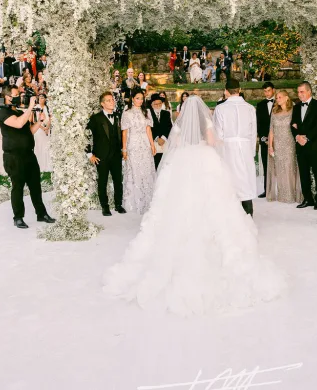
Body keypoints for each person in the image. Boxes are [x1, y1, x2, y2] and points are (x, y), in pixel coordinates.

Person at [103, 94, 285, 316]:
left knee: (179, 199)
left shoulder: (179, 124)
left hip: (183, 161)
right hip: (205, 159)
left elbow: (175, 144)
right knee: (212, 199)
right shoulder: (207, 122)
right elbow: (211, 142)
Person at [0, 87, 56, 229]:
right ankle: (18, 217)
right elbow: (18, 123)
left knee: (36, 186)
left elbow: (28, 130)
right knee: (18, 187)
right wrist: (30, 107)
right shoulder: (3, 113)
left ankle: (41, 214)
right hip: (14, 157)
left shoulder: (18, 112)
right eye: (16, 95)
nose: (19, 97)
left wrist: (39, 122)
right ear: (7, 97)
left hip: (29, 155)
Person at [213, 78, 257, 216]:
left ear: (226, 91)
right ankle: (248, 214)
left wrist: (218, 154)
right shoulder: (250, 108)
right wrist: (251, 152)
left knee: (230, 180)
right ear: (240, 90)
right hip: (245, 148)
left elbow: (218, 134)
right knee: (245, 181)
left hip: (227, 148)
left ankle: (233, 216)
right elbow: (253, 132)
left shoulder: (220, 109)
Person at [88, 91, 124, 217]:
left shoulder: (119, 116)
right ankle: (105, 207)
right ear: (102, 104)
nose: (112, 102)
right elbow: (86, 136)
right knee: (102, 182)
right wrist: (89, 154)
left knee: (118, 180)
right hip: (101, 156)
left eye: (112, 99)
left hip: (116, 155)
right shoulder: (96, 118)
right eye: (108, 100)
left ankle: (119, 204)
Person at [291, 81, 317, 210]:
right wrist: (297, 136)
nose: (299, 94)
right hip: (300, 145)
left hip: (315, 144)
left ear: (309, 91)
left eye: (302, 92)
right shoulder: (296, 107)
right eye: (298, 92)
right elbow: (293, 125)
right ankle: (308, 199)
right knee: (303, 173)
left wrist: (307, 137)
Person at [121, 90, 157, 214]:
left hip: (145, 145)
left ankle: (148, 201)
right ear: (132, 99)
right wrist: (124, 149)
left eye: (142, 98)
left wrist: (152, 145)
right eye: (137, 98)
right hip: (133, 145)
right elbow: (125, 132)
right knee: (134, 172)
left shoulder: (146, 112)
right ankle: (134, 202)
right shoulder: (127, 113)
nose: (140, 101)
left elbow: (148, 130)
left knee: (146, 171)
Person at [265, 89, 303, 204]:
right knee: (280, 169)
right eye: (277, 98)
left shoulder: (293, 110)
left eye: (280, 97)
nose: (277, 99)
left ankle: (293, 194)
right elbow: (271, 130)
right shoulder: (274, 111)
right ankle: (283, 195)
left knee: (290, 168)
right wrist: (270, 146)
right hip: (278, 144)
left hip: (290, 143)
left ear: (287, 98)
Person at [255, 82, 275, 198]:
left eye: (268, 90)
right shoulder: (260, 105)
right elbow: (259, 123)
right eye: (265, 91)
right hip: (264, 140)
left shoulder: (279, 102)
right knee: (266, 166)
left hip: (279, 139)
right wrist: (263, 137)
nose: (266, 93)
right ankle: (267, 190)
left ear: (273, 90)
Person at [149, 94, 172, 169]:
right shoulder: (148, 114)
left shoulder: (166, 113)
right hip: (153, 143)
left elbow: (169, 127)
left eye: (160, 103)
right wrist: (156, 138)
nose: (158, 105)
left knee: (164, 165)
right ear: (152, 104)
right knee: (154, 165)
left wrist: (163, 137)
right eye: (156, 104)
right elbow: (148, 128)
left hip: (164, 142)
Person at [33, 94, 53, 173]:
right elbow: (34, 121)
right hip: (38, 129)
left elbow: (50, 118)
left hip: (47, 129)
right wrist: (42, 128)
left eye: (43, 98)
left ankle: (47, 164)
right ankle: (39, 164)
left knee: (46, 146)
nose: (41, 99)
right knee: (39, 146)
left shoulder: (47, 108)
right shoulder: (35, 108)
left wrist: (47, 127)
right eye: (40, 98)